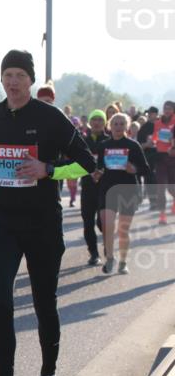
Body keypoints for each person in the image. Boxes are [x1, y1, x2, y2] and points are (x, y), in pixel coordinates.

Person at [0, 50, 95, 376]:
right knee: (1, 303)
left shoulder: (50, 117)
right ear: (2, 79)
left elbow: (87, 163)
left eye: (19, 75)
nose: (13, 82)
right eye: (7, 75)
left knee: (44, 302)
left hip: (43, 222)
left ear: (30, 79)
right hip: (4, 223)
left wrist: (48, 169)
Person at [96, 113, 149, 274]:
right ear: (110, 126)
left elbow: (145, 168)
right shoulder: (104, 146)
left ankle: (123, 262)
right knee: (107, 225)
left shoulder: (133, 146)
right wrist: (97, 174)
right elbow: (99, 167)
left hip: (128, 189)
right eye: (115, 124)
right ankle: (110, 258)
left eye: (121, 124)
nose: (118, 127)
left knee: (123, 230)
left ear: (127, 127)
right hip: (108, 189)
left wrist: (134, 169)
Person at [80, 110, 108, 265]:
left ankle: (107, 247)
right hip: (87, 186)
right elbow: (77, 160)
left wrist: (103, 171)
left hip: (105, 187)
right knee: (88, 222)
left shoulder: (109, 141)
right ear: (90, 122)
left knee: (102, 221)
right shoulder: (83, 141)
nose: (97, 122)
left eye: (100, 120)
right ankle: (94, 253)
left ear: (104, 123)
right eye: (94, 119)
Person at [151, 100, 175, 224]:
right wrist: (152, 140)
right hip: (160, 157)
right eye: (165, 108)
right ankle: (162, 215)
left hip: (173, 158)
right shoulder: (158, 123)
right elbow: (155, 137)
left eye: (170, 108)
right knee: (161, 187)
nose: (167, 110)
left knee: (172, 188)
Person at [138, 107, 159, 210]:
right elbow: (139, 145)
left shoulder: (161, 125)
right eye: (148, 113)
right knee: (150, 179)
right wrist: (146, 144)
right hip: (148, 156)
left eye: (152, 113)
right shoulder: (144, 128)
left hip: (161, 156)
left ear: (156, 114)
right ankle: (153, 202)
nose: (149, 115)